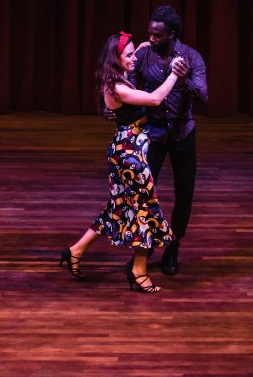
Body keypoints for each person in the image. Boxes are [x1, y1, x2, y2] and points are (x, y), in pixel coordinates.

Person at [60, 31, 182, 293]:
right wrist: (173, 74)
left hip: (125, 149)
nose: (134, 59)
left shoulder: (118, 78)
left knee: (118, 209)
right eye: (128, 55)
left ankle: (75, 251)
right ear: (115, 59)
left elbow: (132, 57)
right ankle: (139, 272)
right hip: (129, 155)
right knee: (143, 210)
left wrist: (140, 47)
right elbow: (154, 99)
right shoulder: (116, 87)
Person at [132, 5, 208, 275]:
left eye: (157, 36)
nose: (151, 39)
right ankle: (147, 244)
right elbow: (129, 88)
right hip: (152, 133)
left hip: (182, 134)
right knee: (143, 193)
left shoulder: (191, 57)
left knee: (184, 194)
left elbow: (203, 96)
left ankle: (173, 248)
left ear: (172, 34)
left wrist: (185, 79)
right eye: (150, 33)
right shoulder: (143, 56)